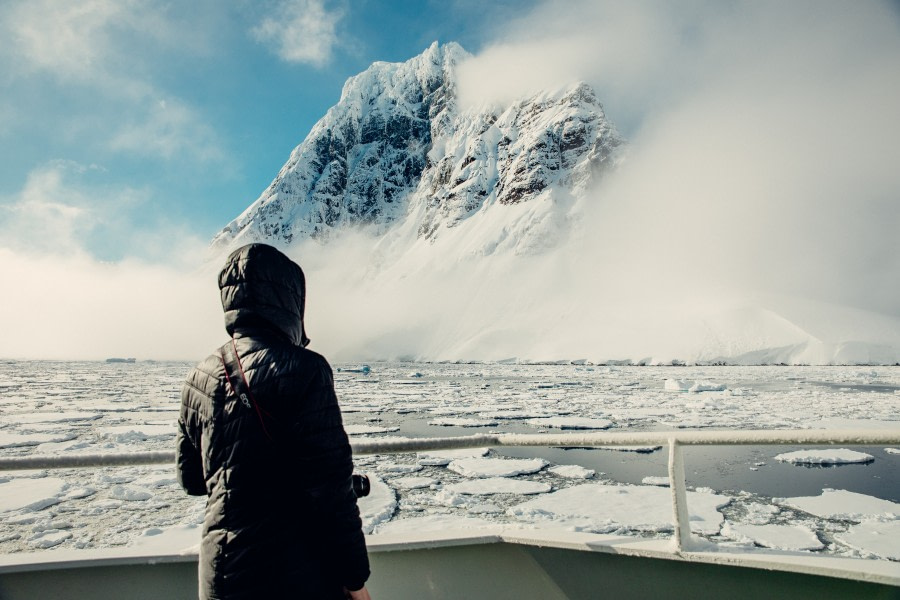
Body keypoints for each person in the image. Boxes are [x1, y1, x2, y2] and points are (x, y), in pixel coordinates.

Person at [177, 243, 372, 599]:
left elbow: (192, 479)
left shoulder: (198, 377)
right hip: (289, 573)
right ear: (290, 300)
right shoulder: (304, 368)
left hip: (219, 573)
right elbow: (331, 491)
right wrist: (355, 580)